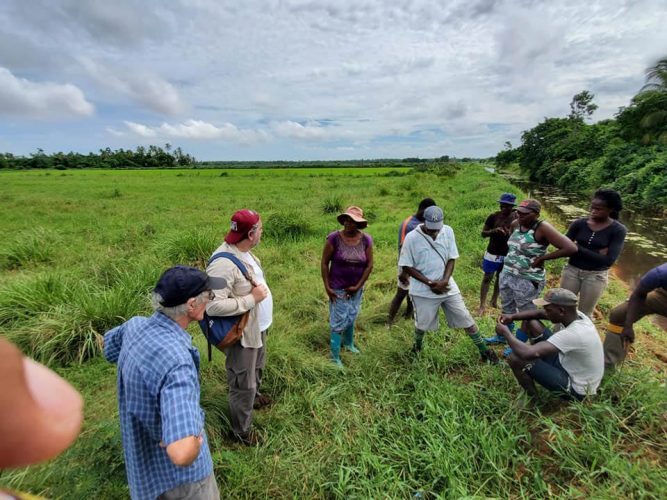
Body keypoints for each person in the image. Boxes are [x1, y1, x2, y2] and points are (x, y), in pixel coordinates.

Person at [103, 265, 223, 500]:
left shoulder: (134, 326)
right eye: (209, 296)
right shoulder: (177, 362)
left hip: (144, 471)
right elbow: (181, 452)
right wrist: (196, 436)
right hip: (184, 482)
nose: (210, 300)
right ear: (191, 305)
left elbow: (107, 347)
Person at [398, 205, 498, 363]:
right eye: (431, 229)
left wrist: (444, 280)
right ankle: (417, 347)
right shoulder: (411, 238)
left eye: (436, 229)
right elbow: (406, 266)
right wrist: (430, 283)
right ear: (424, 221)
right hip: (423, 290)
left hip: (447, 286)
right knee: (422, 324)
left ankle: (484, 352)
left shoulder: (448, 231)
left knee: (466, 318)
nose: (434, 232)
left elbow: (452, 258)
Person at [206, 209, 271, 445]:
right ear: (251, 234)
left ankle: (253, 398)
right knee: (243, 383)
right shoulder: (222, 263)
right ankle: (241, 431)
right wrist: (251, 300)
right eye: (260, 229)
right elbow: (212, 307)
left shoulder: (246, 252)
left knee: (256, 370)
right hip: (242, 335)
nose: (262, 233)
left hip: (258, 329)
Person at [485, 199, 577, 348]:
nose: (519, 215)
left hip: (528, 279)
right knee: (507, 307)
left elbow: (570, 248)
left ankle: (519, 344)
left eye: (524, 213)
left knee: (526, 313)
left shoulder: (542, 228)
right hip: (508, 274)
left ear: (536, 214)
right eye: (518, 212)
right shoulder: (515, 224)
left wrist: (543, 258)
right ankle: (502, 336)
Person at [496, 288, 604, 403]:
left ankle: (533, 400)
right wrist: (512, 317)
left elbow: (528, 353)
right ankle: (534, 363)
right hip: (567, 364)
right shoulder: (576, 315)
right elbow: (538, 313)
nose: (545, 312)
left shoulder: (575, 333)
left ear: (561, 311)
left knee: (516, 358)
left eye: (548, 310)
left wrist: (505, 332)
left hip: (577, 388)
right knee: (530, 320)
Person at [560, 189, 627, 318]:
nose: (593, 211)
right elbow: (563, 246)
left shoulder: (618, 230)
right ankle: (558, 337)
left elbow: (609, 261)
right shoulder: (579, 224)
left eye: (599, 209)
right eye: (592, 207)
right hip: (572, 271)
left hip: (596, 276)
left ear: (610, 210)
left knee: (584, 314)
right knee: (562, 308)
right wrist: (597, 253)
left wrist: (577, 248)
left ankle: (581, 338)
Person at [321, 206, 374, 368]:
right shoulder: (333, 238)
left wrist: (358, 286)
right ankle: (334, 357)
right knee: (338, 320)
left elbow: (369, 265)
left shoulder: (366, 240)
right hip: (338, 288)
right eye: (346, 219)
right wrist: (327, 287)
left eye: (352, 221)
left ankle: (348, 344)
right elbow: (324, 263)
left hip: (356, 287)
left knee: (352, 314)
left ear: (359, 224)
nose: (348, 223)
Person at [603, 262, 667, 371]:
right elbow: (638, 294)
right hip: (664, 296)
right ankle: (609, 365)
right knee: (620, 314)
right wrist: (628, 325)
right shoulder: (661, 273)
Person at [387, 198, 437, 324]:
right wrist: (405, 270)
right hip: (407, 266)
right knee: (401, 293)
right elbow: (403, 248)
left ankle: (408, 316)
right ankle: (389, 322)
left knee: (413, 293)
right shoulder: (409, 224)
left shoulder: (426, 223)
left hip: (420, 266)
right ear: (422, 210)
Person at [479, 193, 518, 315]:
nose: (504, 208)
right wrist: (494, 231)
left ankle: (494, 301)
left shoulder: (517, 218)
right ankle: (482, 305)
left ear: (512, 206)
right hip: (492, 252)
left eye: (507, 206)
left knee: (500, 278)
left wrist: (509, 234)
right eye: (502, 206)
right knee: (487, 277)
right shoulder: (493, 217)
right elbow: (483, 233)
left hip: (507, 253)